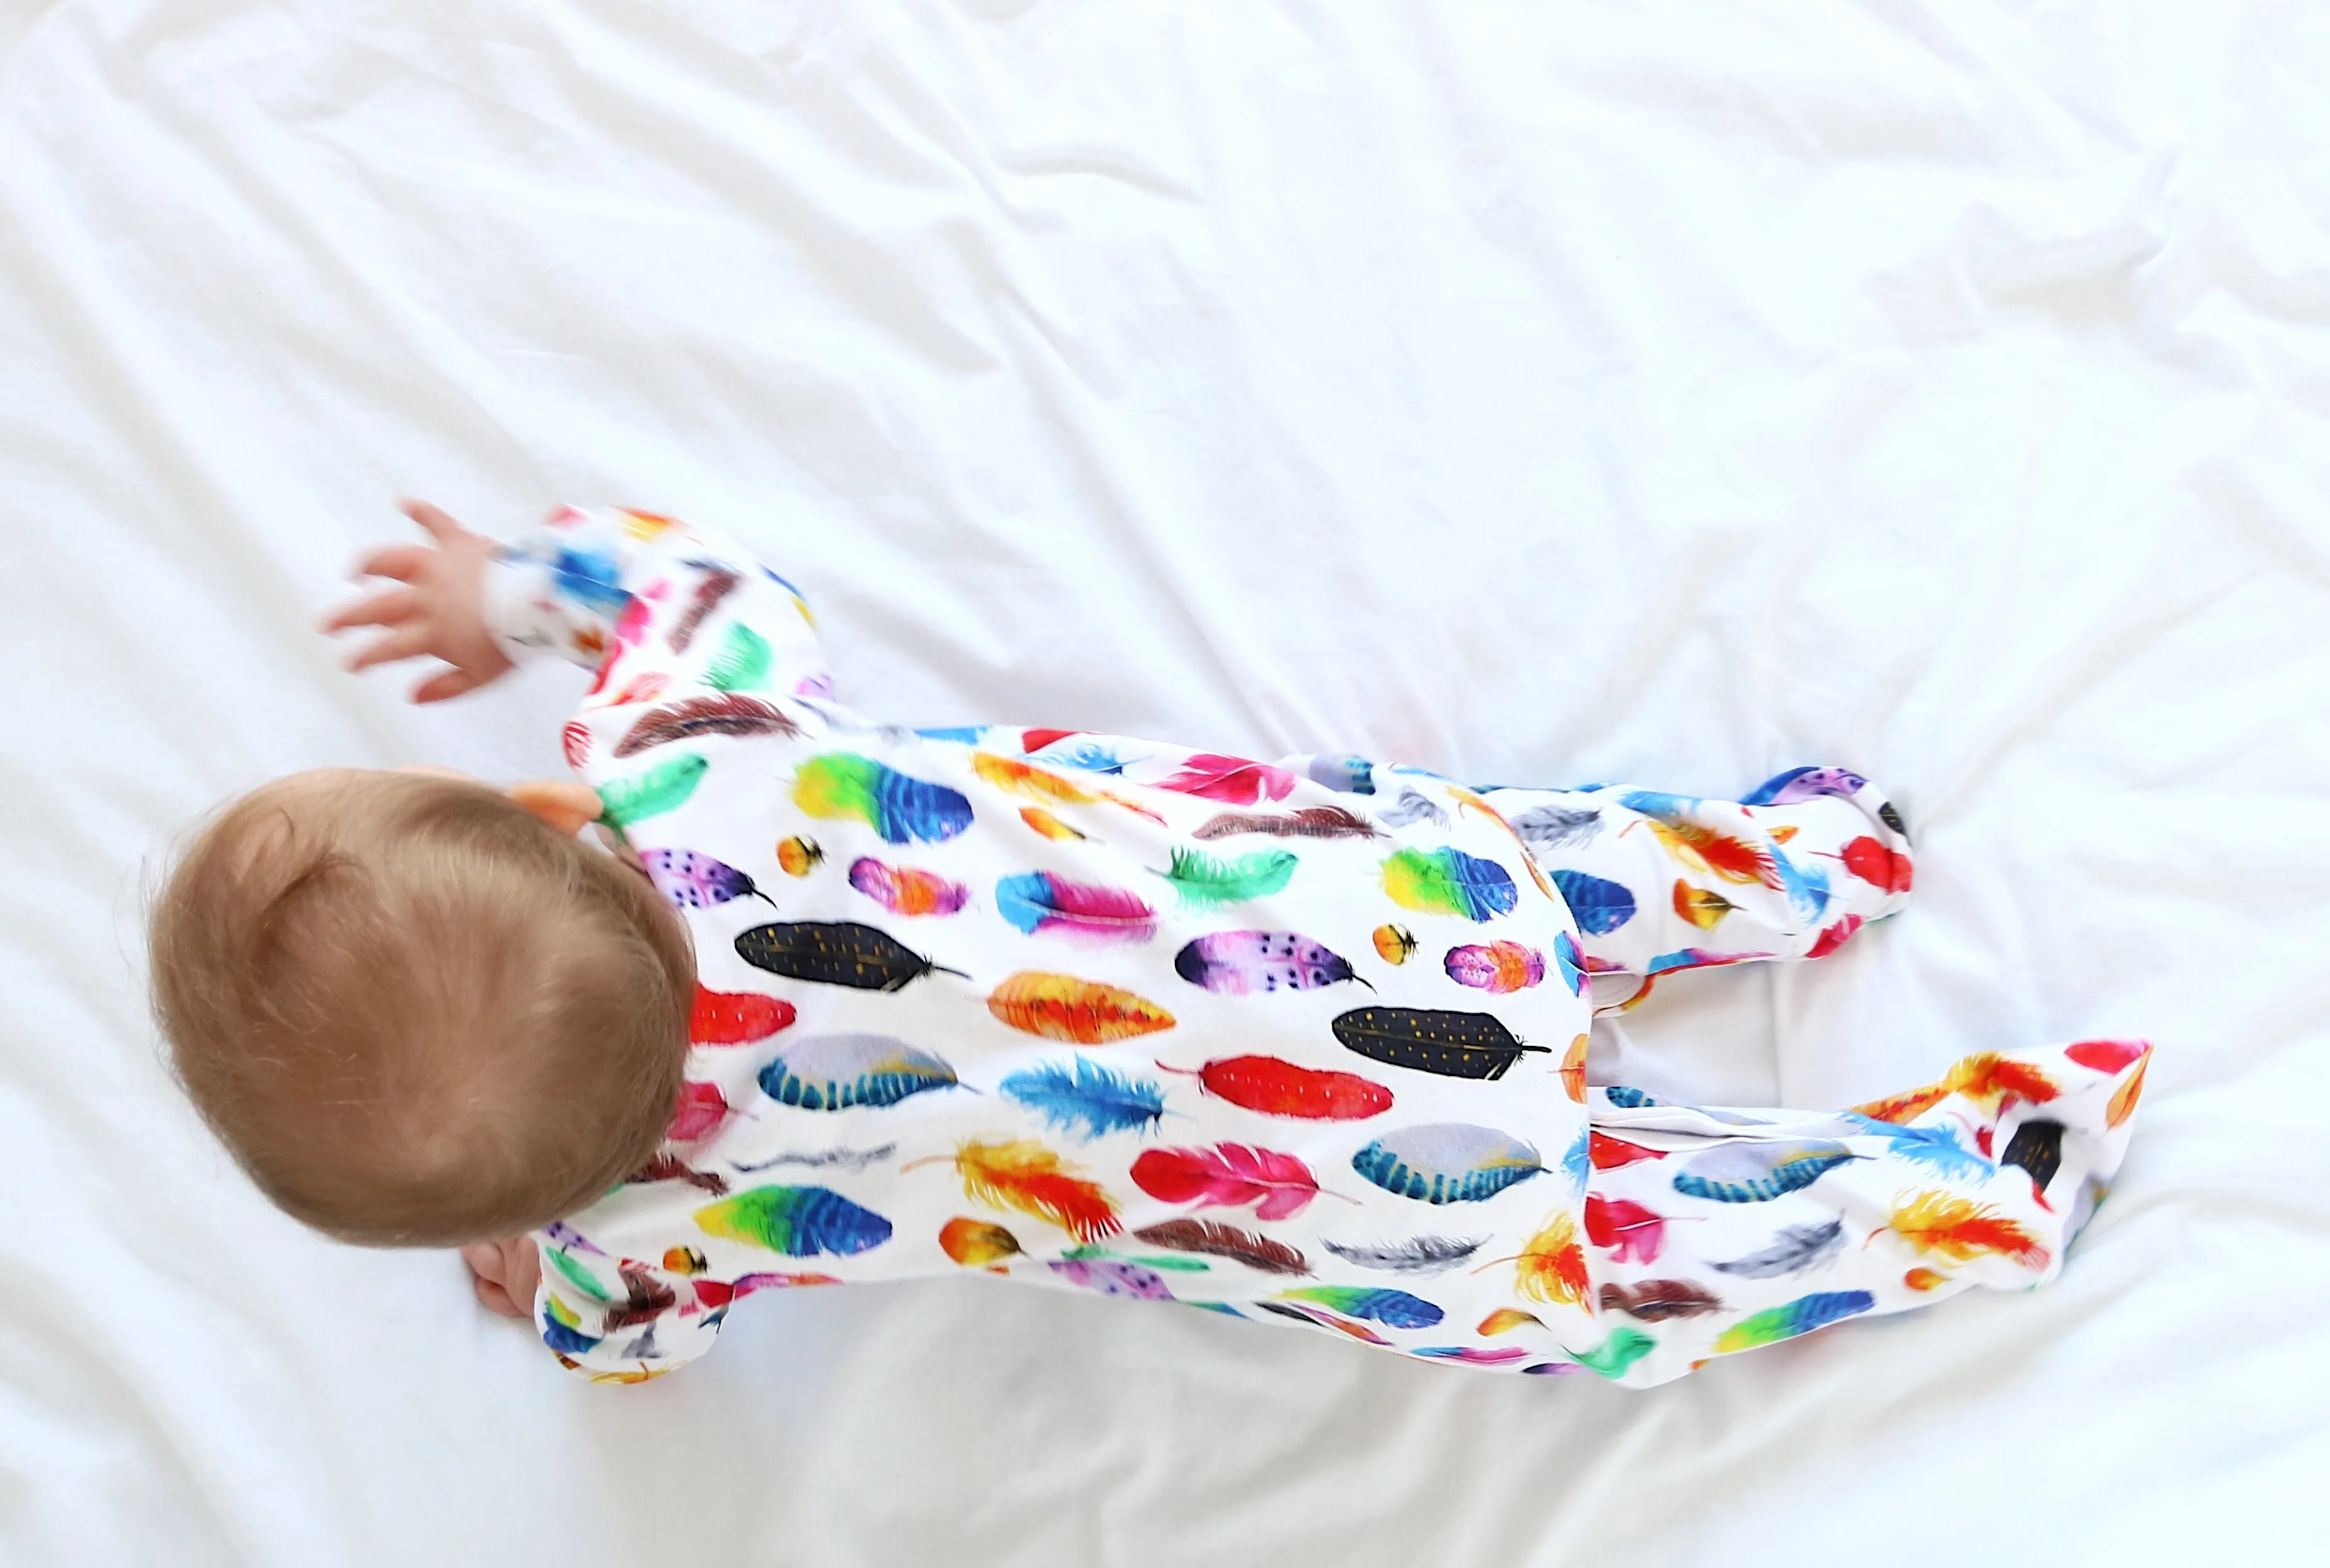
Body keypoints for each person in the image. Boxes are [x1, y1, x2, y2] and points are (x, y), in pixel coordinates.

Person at [146, 499, 2150, 1388]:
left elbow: (614, 1341)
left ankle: (1977, 1189)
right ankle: (1806, 862)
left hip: (1378, 1205)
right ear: (559, 811)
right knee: (1568, 872)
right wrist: (518, 584)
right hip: (1397, 909)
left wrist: (546, 1281)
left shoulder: (658, 1226)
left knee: (1624, 1275)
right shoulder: (689, 745)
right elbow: (701, 580)